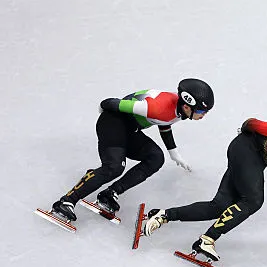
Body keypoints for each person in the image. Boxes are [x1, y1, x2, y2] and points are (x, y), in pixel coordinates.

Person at [142, 109, 267, 261]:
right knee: (253, 200)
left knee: (218, 206)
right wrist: (245, 132)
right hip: (245, 150)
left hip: (255, 159)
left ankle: (164, 215)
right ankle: (207, 239)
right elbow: (252, 123)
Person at [48, 78, 214, 222]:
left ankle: (110, 193)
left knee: (156, 157)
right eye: (201, 111)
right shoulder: (156, 107)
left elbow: (165, 124)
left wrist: (174, 153)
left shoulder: (178, 110)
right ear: (187, 106)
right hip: (112, 122)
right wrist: (102, 106)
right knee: (114, 167)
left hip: (130, 129)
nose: (203, 115)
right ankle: (66, 201)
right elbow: (112, 103)